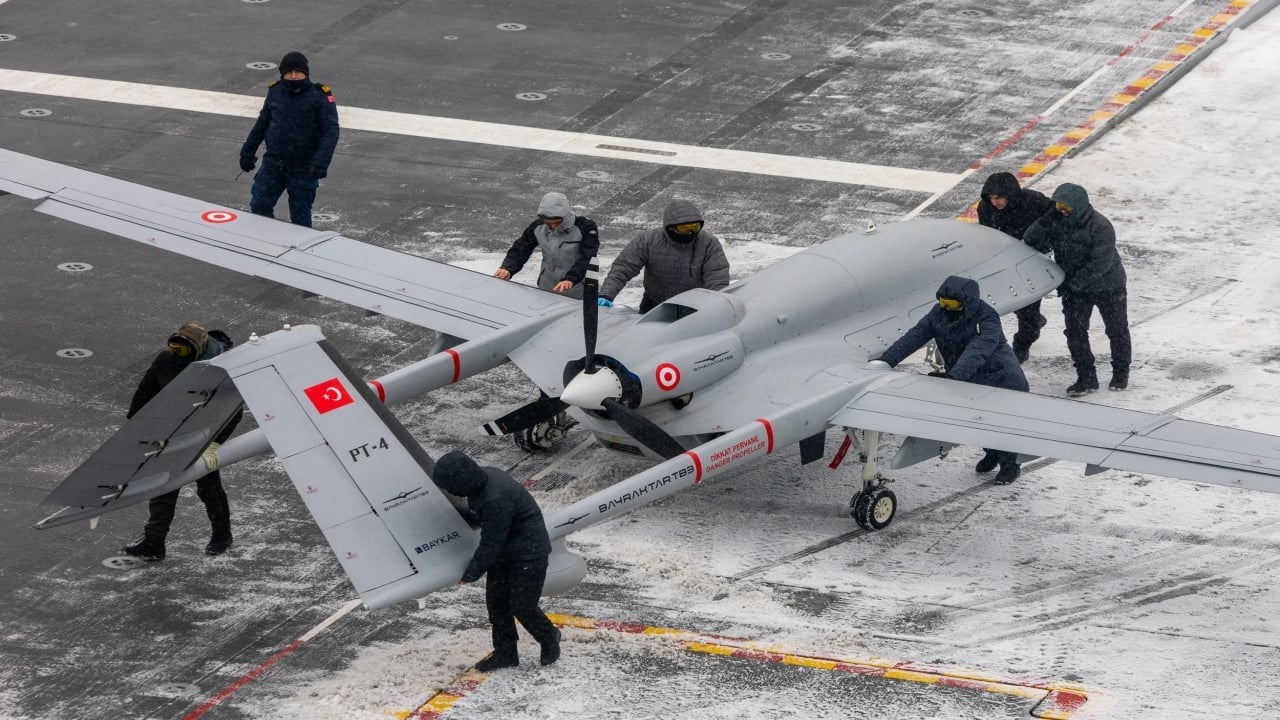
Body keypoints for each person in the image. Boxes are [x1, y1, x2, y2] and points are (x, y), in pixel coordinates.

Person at [873, 276, 1029, 485]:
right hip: (967, 377)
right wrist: (887, 360)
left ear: (967, 302)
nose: (946, 308)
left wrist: (955, 375)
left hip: (1000, 378)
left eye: (952, 304)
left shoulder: (986, 317)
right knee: (980, 420)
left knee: (1003, 423)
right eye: (943, 302)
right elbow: (915, 335)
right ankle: (992, 453)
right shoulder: (938, 315)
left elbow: (978, 349)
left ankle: (1010, 466)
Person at [121, 323, 244, 561]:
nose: (178, 356)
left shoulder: (219, 371)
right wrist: (138, 428)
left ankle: (222, 535)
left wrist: (214, 444)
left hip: (203, 437)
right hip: (169, 435)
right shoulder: (165, 362)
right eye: (174, 349)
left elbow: (233, 411)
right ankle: (154, 543)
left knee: (209, 489)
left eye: (183, 351)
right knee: (162, 489)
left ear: (197, 350)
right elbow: (144, 395)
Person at [432, 451, 561, 671]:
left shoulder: (495, 498)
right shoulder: (485, 479)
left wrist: (471, 573)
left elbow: (492, 541)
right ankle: (505, 654)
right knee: (498, 606)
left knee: (522, 606)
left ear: (461, 483)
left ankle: (549, 637)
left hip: (529, 554)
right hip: (507, 553)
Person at [1024, 183, 1131, 395]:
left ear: (1080, 206)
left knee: (1116, 330)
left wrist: (1073, 284)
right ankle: (1086, 377)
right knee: (1075, 332)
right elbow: (1030, 240)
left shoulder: (1101, 226)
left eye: (1066, 207)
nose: (1062, 210)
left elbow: (1100, 264)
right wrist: (1043, 223)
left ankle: (1120, 372)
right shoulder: (1055, 221)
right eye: (1058, 205)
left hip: (1108, 287)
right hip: (1076, 289)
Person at [239, 51, 340, 227]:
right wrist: (247, 151)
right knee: (259, 206)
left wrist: (321, 163)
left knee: (300, 219)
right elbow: (262, 123)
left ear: (305, 73)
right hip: (273, 164)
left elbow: (331, 131)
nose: (293, 76)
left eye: (297, 72)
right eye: (289, 72)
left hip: (303, 168)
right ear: (282, 73)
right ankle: (267, 244)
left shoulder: (319, 96)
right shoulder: (275, 91)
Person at [598, 199, 730, 312]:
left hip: (694, 309)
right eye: (684, 228)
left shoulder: (708, 244)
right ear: (670, 227)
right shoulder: (649, 240)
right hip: (655, 307)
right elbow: (623, 267)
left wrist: (719, 305)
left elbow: (717, 277)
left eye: (695, 227)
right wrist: (606, 294)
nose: (690, 233)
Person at [977, 171, 1053, 363]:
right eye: (991, 198)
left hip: (1031, 261)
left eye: (999, 198)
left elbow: (1055, 221)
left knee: (1028, 310)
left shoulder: (1035, 201)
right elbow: (986, 234)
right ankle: (1034, 321)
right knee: (1014, 300)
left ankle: (1021, 346)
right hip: (1005, 262)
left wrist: (1039, 242)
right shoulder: (986, 208)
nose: (995, 203)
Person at [494, 192, 600, 299]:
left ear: (565, 215)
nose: (553, 226)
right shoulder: (538, 226)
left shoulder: (585, 227)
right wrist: (508, 268)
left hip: (577, 287)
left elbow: (588, 257)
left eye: (557, 222)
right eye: (549, 223)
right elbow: (521, 248)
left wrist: (571, 278)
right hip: (546, 286)